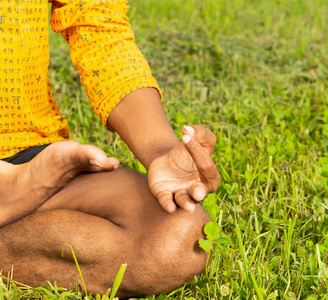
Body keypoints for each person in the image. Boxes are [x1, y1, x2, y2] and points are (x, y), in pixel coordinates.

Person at [0, 0, 220, 297]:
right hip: (29, 175)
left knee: (178, 236)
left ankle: (13, 194)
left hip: (27, 150)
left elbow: (99, 26)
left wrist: (161, 151)